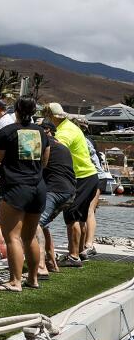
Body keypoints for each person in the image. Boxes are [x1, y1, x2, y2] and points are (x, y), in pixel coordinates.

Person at [0, 96, 52, 291]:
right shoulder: (41, 132)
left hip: (16, 187)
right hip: (38, 187)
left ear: (15, 110)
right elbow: (45, 161)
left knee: (12, 237)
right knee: (29, 236)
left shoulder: (7, 132)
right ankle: (32, 279)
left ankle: (15, 281)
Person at [46, 102, 99, 267]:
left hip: (81, 176)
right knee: (80, 217)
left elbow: (56, 147)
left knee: (71, 217)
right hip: (89, 175)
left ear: (52, 117)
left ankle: (74, 256)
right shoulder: (68, 125)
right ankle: (80, 252)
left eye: (47, 117)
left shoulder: (65, 131)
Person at [34, 119, 75, 278]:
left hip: (55, 191)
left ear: (46, 132)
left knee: (34, 225)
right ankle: (52, 263)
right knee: (44, 225)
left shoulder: (44, 145)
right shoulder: (63, 147)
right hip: (70, 192)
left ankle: (41, 266)